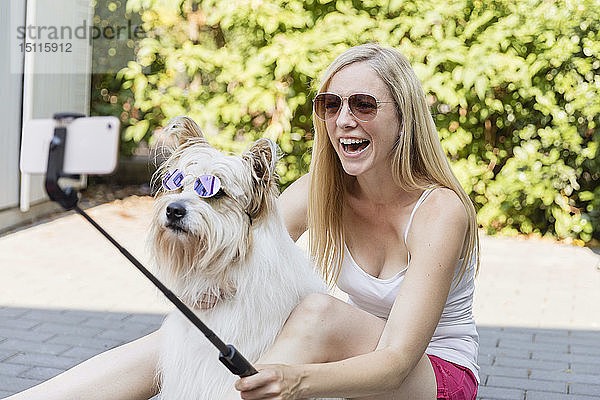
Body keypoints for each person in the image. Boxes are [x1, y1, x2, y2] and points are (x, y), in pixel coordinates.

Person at [6, 42, 479, 400]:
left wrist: (296, 379)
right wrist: (209, 289)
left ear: (404, 116)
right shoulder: (326, 188)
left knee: (316, 311)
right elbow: (254, 243)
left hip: (430, 375)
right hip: (346, 353)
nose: (344, 120)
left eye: (364, 105)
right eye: (331, 105)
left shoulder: (439, 211)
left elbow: (396, 361)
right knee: (180, 332)